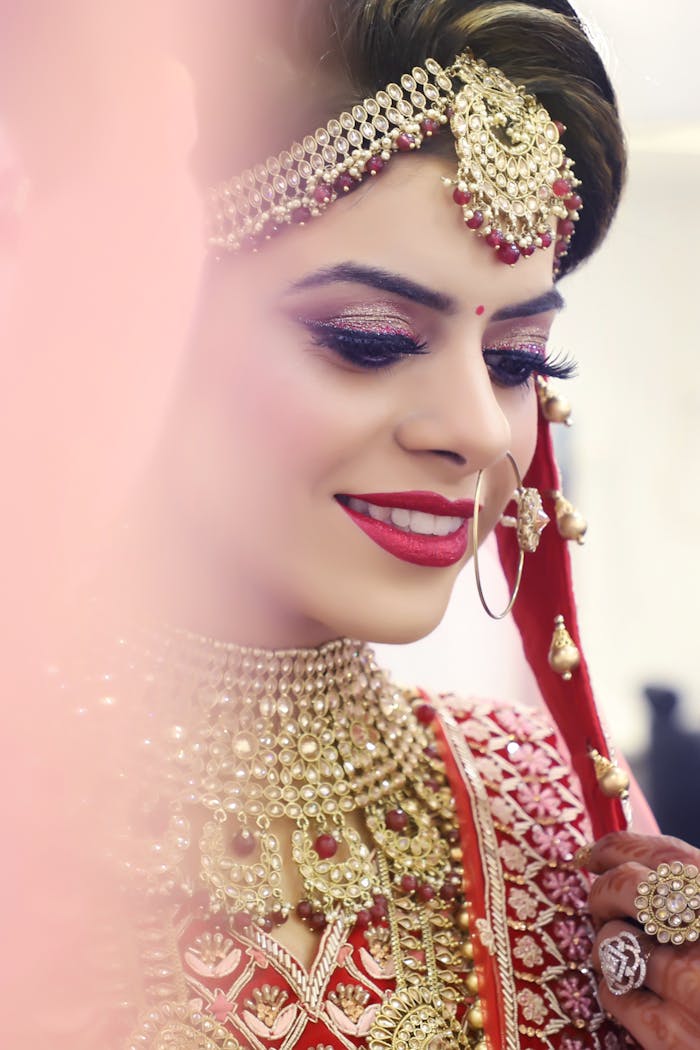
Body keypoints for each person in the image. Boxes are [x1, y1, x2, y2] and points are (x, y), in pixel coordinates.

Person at [5, 2, 699, 1049]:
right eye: (366, 340)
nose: (474, 429)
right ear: (138, 325)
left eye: (516, 361)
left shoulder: (541, 809)